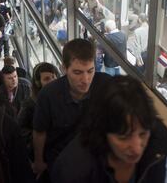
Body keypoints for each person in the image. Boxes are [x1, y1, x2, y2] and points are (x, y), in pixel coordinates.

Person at [52, 75, 167, 183]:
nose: (137, 149)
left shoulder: (158, 137)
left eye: (143, 134)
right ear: (103, 132)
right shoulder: (72, 171)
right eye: (123, 137)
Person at [32, 39, 111, 178]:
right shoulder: (48, 95)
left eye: (90, 71)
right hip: (60, 160)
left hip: (95, 158)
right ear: (64, 68)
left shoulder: (106, 85)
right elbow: (39, 132)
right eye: (77, 72)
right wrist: (39, 162)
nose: (86, 79)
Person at [18, 63, 60, 150]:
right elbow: (20, 130)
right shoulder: (29, 105)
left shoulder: (63, 99)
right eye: (47, 79)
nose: (52, 81)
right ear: (38, 83)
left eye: (53, 77)